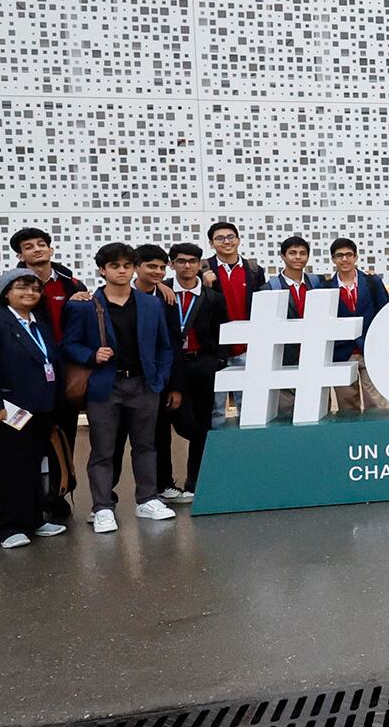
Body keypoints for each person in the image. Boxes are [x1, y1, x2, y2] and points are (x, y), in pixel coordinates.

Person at [64, 243, 176, 533]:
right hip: (105, 385)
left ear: (134, 268)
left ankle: (147, 499)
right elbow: (69, 345)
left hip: (144, 384)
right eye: (115, 266)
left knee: (146, 445)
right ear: (103, 270)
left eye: (127, 265)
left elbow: (164, 345)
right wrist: (91, 355)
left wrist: (160, 378)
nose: (122, 271)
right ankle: (102, 507)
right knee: (103, 449)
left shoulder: (150, 304)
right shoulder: (85, 305)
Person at [0, 268, 68, 549]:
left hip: (39, 410)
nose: (30, 293)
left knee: (32, 466)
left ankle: (33, 519)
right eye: (21, 287)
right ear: (6, 292)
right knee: (5, 469)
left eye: (35, 288)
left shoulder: (39, 324)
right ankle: (7, 528)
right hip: (5, 410)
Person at [0, 226, 85, 518]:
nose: (37, 249)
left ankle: (58, 494)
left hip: (62, 372)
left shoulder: (72, 284)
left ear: (51, 249)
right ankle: (29, 501)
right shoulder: (5, 287)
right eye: (29, 246)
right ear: (20, 255)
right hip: (24, 376)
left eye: (41, 244)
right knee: (28, 440)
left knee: (63, 436)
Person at [162, 242, 224, 503]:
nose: (186, 266)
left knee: (202, 424)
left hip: (201, 365)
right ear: (171, 264)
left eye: (192, 261)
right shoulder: (161, 292)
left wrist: (216, 362)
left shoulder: (212, 297)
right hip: (168, 367)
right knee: (169, 425)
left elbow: (221, 330)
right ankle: (163, 483)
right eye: (180, 261)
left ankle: (194, 480)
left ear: (199, 265)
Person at [202, 220, 268, 426]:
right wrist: (204, 285)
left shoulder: (254, 270)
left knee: (248, 406)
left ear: (238, 240)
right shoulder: (203, 270)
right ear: (211, 243)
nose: (226, 242)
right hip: (215, 349)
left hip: (246, 348)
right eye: (219, 238)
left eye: (230, 237)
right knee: (215, 409)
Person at [319, 237, 389, 414]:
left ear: (356, 257)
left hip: (370, 350)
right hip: (341, 353)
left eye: (349, 255)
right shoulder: (325, 287)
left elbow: (384, 313)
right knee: (347, 408)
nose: (344, 259)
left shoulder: (372, 282)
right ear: (333, 259)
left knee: (377, 404)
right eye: (339, 256)